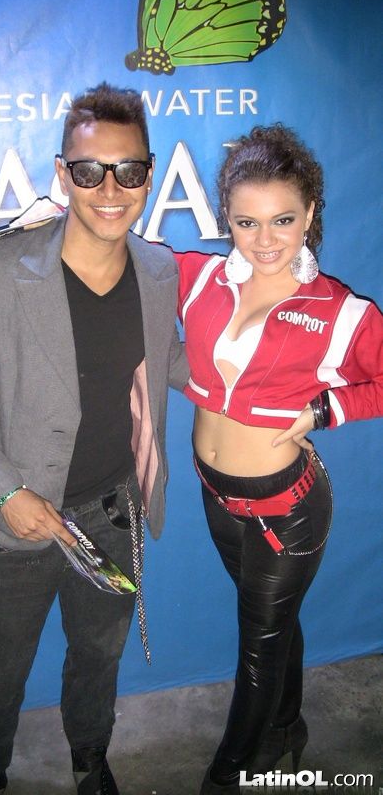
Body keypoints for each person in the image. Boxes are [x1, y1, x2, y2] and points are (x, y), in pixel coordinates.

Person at [0, 82, 188, 795]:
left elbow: (169, 358)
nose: (109, 190)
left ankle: (89, 756)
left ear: (149, 174)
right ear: (62, 173)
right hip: (14, 512)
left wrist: (261, 384)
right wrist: (6, 491)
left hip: (112, 510)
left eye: (128, 170)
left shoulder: (159, 269)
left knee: (98, 656)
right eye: (88, 170)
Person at [176, 125, 383, 794]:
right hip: (217, 495)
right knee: (274, 624)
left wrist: (327, 410)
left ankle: (228, 773)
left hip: (286, 511)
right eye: (247, 222)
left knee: (257, 651)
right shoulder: (199, 278)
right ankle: (287, 729)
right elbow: (113, 253)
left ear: (310, 213)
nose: (265, 240)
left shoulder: (340, 310)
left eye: (283, 220)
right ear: (227, 218)